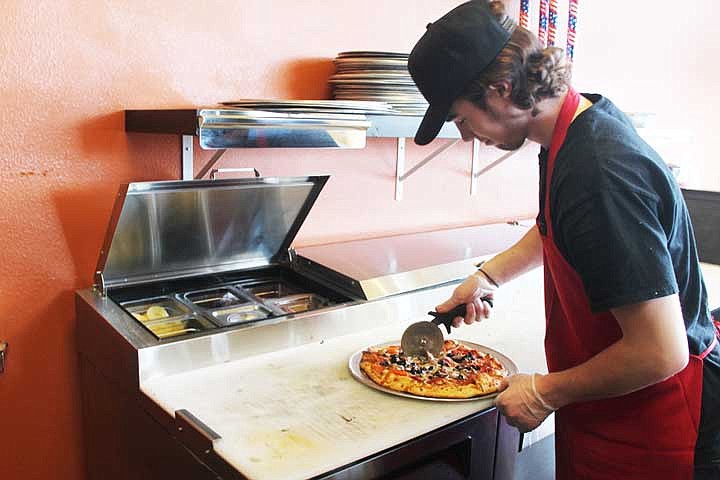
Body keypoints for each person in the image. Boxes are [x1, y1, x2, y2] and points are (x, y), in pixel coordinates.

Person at [408, 1, 720, 479]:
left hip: (660, 415)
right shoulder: (572, 130)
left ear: (500, 90)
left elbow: (660, 350)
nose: (466, 136)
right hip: (611, 404)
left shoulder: (598, 170)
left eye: (461, 118)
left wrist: (544, 392)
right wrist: (487, 277)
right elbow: (555, 227)